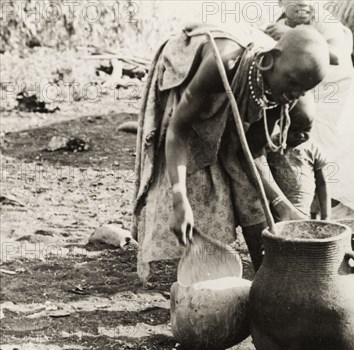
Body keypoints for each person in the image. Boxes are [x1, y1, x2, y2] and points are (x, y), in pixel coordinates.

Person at [131, 23, 331, 281]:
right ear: (268, 62)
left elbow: (250, 154)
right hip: (190, 85)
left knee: (246, 183)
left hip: (243, 85)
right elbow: (178, 130)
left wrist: (282, 204)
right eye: (292, 84)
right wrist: (179, 199)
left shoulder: (278, 93)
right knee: (197, 179)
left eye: (302, 91)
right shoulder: (221, 62)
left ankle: (267, 278)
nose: (293, 96)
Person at [264, 0, 354, 218]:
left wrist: (291, 36)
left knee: (328, 158)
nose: (304, 5)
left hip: (331, 101)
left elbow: (337, 56)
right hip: (297, 96)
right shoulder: (276, 23)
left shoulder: (325, 21)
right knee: (293, 160)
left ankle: (327, 219)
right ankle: (295, 211)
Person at [263, 99, 331, 220]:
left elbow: (322, 183)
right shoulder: (270, 146)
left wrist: (326, 216)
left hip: (303, 212)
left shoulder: (313, 149)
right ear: (281, 123)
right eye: (295, 129)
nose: (301, 135)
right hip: (275, 213)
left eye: (307, 130)